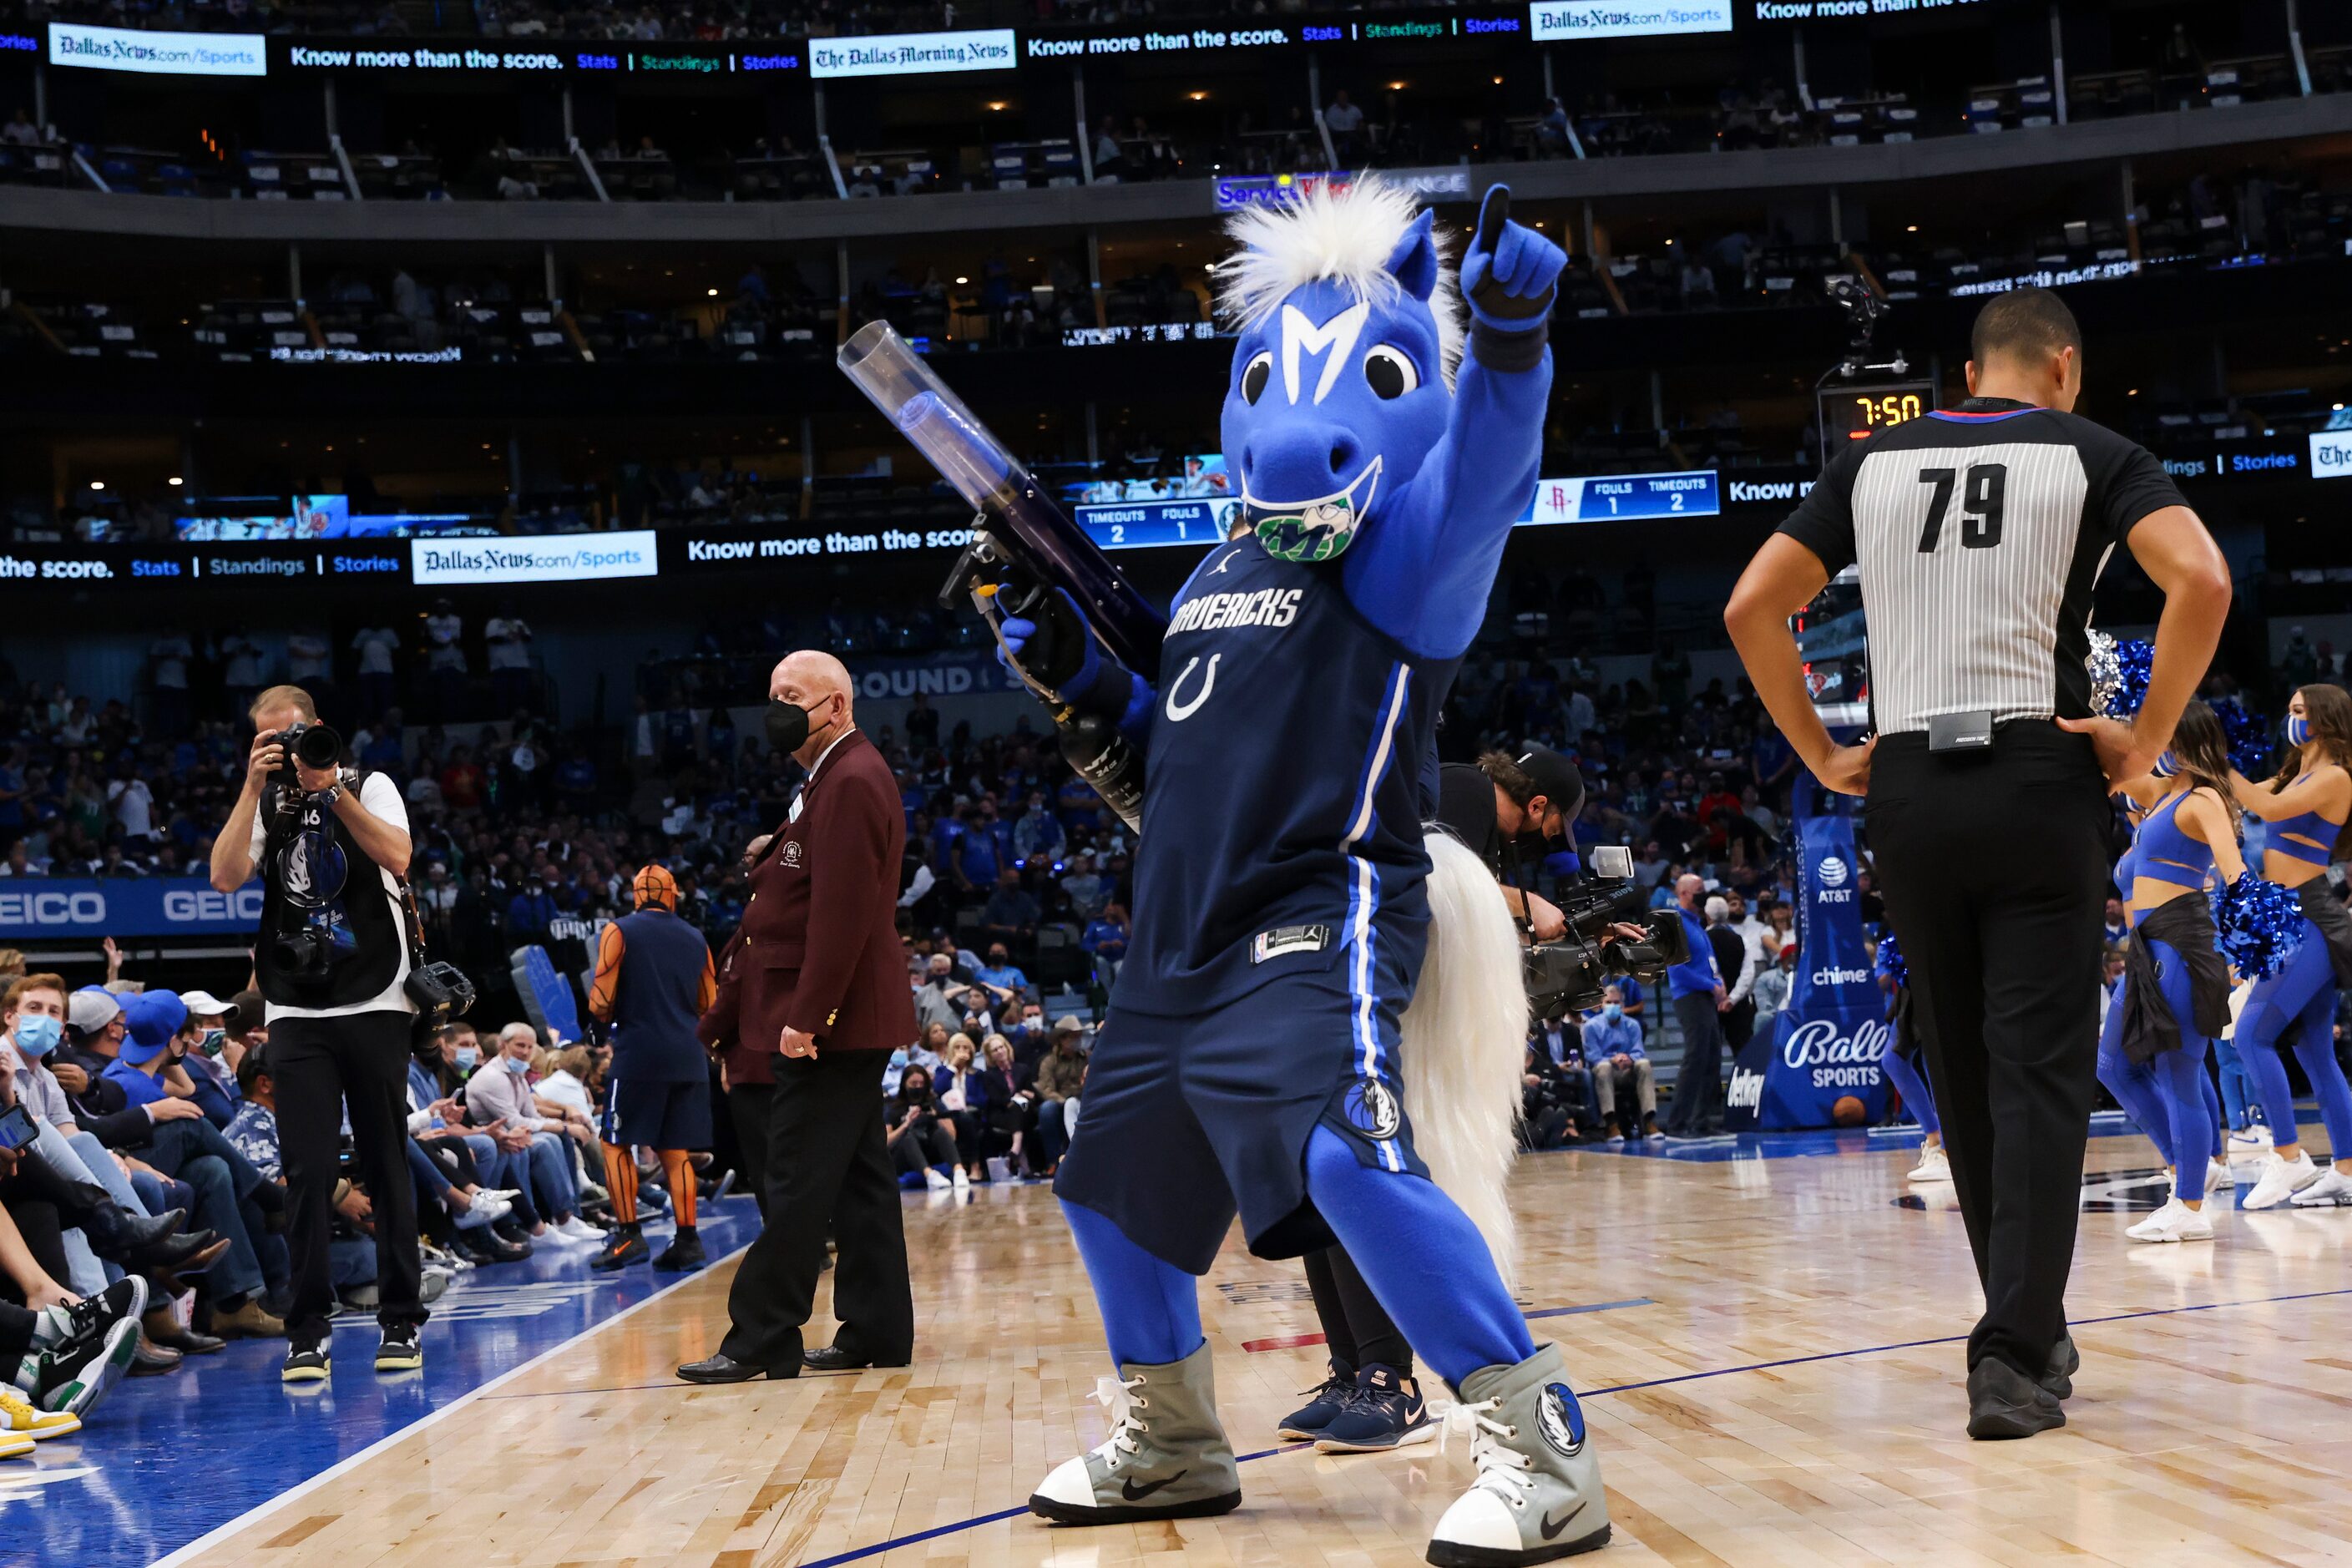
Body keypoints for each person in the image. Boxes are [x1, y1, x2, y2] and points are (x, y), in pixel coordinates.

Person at [1006, 183, 1598, 1561]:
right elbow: (1171, 734)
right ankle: (1168, 1437)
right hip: (1178, 929)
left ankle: (1539, 1441)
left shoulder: (1403, 561)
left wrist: (1510, 344)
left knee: (1339, 1144)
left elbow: (1491, 473)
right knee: (1114, 1185)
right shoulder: (1217, 567)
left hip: (1319, 901)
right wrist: (1069, 663)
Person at [1723, 285, 2230, 1439]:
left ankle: (2023, 1329)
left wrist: (1820, 750)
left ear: (1967, 373)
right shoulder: (2095, 450)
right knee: (2039, 1069)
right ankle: (2011, 1349)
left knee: (1959, 1068)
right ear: (2061, 366)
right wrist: (2144, 741)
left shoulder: (1871, 463)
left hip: (1906, 787)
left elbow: (1752, 604)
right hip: (2038, 774)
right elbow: (2201, 577)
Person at [679, 651, 915, 1383]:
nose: (776, 708)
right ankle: (876, 1329)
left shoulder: (848, 781)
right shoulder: (832, 779)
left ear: (836, 707)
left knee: (795, 1179)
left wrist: (810, 1015)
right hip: (847, 1014)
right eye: (772, 693)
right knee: (856, 1179)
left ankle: (761, 1337)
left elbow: (841, 916)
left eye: (793, 697)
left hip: (830, 1020)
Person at [208, 684, 430, 1383]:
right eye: (269, 739)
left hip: (376, 995)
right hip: (296, 1006)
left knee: (387, 1162)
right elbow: (224, 878)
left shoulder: (372, 782)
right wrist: (251, 787)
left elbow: (397, 855)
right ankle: (306, 1331)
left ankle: (400, 1320)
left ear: (320, 727)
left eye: (294, 733)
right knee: (307, 1172)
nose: (284, 747)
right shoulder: (266, 800)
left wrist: (331, 790)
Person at [2101, 705, 2246, 1242]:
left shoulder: (2202, 797)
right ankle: (2185, 1169)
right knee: (2112, 1064)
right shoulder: (2161, 797)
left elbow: (2235, 874)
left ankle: (2188, 1205)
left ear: (2184, 742)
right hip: (2145, 949)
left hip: (2182, 943)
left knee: (2178, 1073)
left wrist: (2238, 948)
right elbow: (2117, 768)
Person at [2225, 684, 2352, 1209]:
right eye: (2289, 708)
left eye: (2299, 710)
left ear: (2324, 718)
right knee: (2315, 1052)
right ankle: (2346, 1170)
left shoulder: (2335, 777)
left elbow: (2266, 809)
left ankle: (2288, 1155)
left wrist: (2213, 759)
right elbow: (2240, 797)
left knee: (2253, 1035)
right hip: (2282, 916)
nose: (2290, 717)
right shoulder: (2294, 771)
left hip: (2312, 918)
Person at [587, 864, 718, 1273]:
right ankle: (688, 1240)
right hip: (688, 1054)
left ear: (636, 893)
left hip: (639, 1053)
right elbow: (709, 1002)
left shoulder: (620, 930)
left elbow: (602, 997)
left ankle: (629, 1235)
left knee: (614, 1144)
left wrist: (596, 1027)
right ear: (674, 893)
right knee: (674, 1149)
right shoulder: (696, 937)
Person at [1659, 875, 1728, 1135]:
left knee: (1711, 1058)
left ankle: (1702, 1121)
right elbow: (1676, 970)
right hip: (1690, 998)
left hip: (1706, 997)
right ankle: (1678, 1124)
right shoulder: (1677, 924)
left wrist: (1719, 984)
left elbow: (1708, 962)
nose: (1703, 894)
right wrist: (1711, 985)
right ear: (1684, 893)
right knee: (1695, 1058)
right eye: (1699, 890)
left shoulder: (1697, 924)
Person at [1580, 985, 1658, 1142]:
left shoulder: (1633, 1025)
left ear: (1622, 1005)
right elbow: (1592, 1056)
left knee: (1644, 1063)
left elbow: (1638, 1051)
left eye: (1616, 1002)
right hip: (1605, 1073)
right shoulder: (1591, 1027)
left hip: (1628, 1071)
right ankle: (1611, 1124)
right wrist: (1612, 1060)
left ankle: (1649, 1121)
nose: (1613, 1006)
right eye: (1609, 1002)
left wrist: (1629, 1059)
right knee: (1603, 1067)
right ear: (1601, 1004)